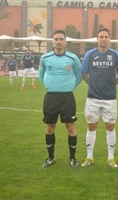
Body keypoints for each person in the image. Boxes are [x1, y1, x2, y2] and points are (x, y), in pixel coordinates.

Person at [39, 30, 83, 168]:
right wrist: (48, 85)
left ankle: (73, 158)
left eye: (61, 39)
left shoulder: (73, 58)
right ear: (52, 42)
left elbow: (79, 75)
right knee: (50, 126)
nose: (58, 41)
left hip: (67, 98)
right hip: (51, 97)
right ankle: (50, 158)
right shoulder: (45, 58)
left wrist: (69, 87)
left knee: (70, 126)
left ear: (65, 42)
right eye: (56, 39)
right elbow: (41, 74)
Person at [81, 28, 118, 168]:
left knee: (110, 126)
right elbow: (84, 73)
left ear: (109, 38)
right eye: (101, 37)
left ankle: (111, 158)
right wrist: (92, 85)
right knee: (91, 126)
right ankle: (89, 157)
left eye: (106, 36)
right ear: (97, 39)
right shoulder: (90, 54)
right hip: (92, 98)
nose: (103, 39)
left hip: (110, 98)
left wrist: (112, 85)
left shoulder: (115, 55)